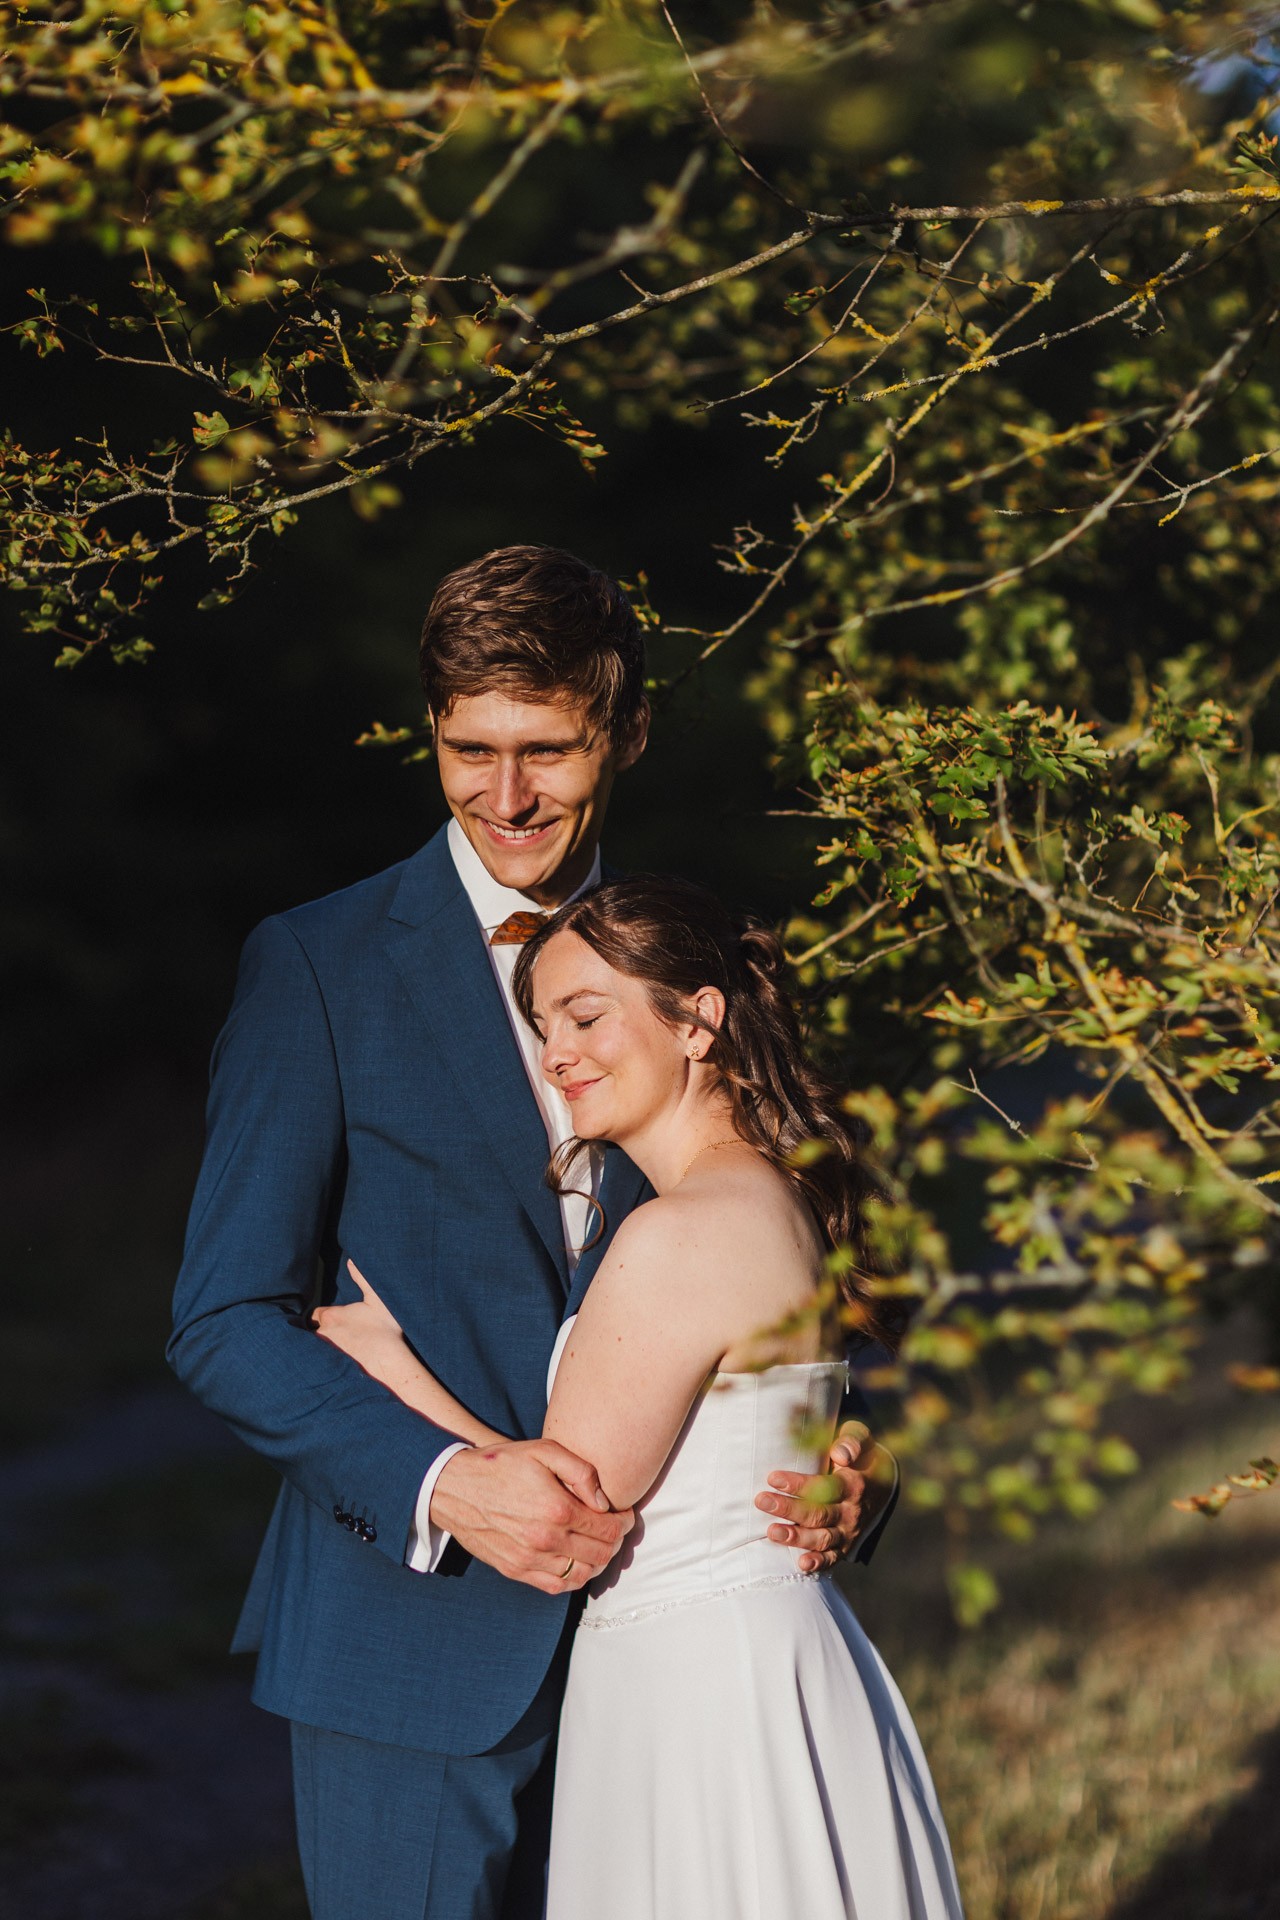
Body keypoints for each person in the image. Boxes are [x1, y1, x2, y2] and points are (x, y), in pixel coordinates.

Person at [168, 545, 897, 1920]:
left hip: (687, 1675)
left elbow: (780, 1277)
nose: (506, 797)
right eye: (469, 750)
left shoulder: (687, 970)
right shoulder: (315, 969)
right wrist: (444, 1480)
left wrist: (839, 1462)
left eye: (547, 751)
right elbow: (221, 1319)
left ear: (624, 731)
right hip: (409, 1646)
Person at [311, 874, 963, 1919]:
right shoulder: (773, 1192)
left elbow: (570, 1514)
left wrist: (395, 1372)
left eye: (584, 1014)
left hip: (694, 1690)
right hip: (778, 1663)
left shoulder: (675, 1233)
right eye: (539, 1024)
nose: (554, 1052)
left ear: (697, 1020)